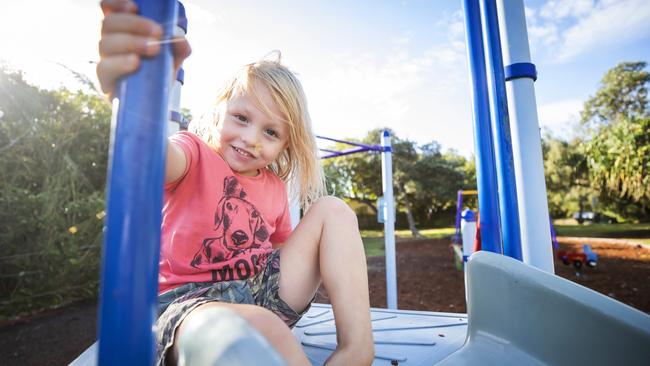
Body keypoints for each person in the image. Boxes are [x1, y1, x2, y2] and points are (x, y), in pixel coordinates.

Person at [97, 1, 375, 365]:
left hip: (260, 290)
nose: (250, 138)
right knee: (263, 328)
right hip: (189, 306)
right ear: (219, 112)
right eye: (241, 118)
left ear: (285, 146)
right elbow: (151, 159)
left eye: (270, 131)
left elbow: (281, 254)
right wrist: (141, 101)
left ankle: (357, 348)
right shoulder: (193, 153)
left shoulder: (274, 187)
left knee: (334, 209)